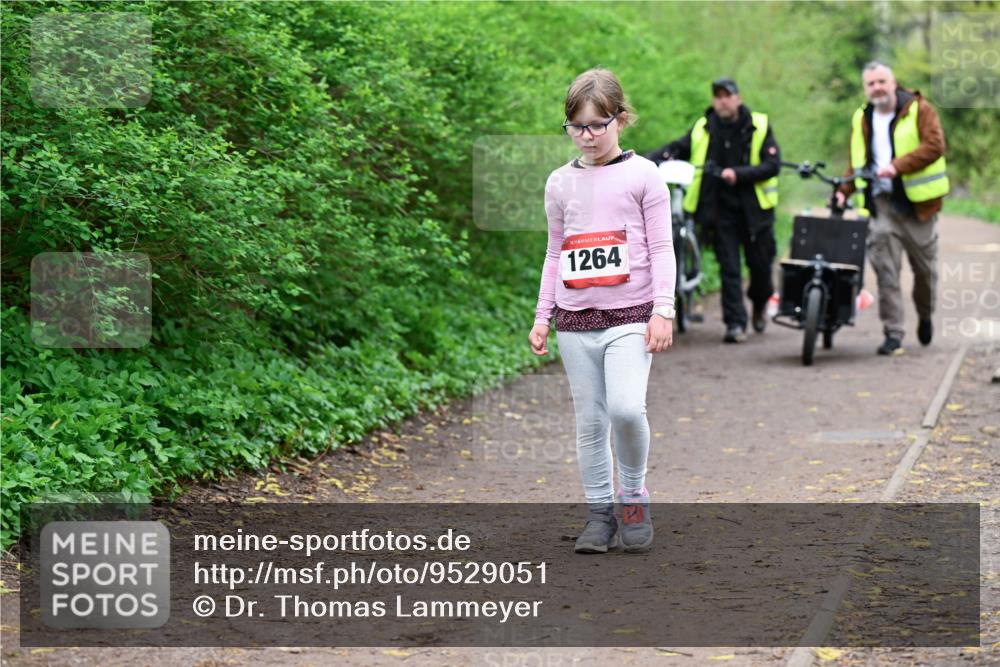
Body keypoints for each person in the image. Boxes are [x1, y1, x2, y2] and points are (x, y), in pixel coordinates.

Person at [528, 68, 676, 554]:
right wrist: (542, 315)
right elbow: (555, 252)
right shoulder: (558, 183)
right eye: (577, 126)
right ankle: (598, 514)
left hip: (631, 315)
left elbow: (662, 247)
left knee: (626, 409)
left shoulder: (644, 175)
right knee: (590, 422)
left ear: (621, 119)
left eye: (597, 124)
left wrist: (664, 310)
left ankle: (632, 496)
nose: (587, 136)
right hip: (575, 319)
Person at [645, 77, 781, 343]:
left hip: (755, 213)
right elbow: (675, 149)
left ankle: (759, 305)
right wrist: (643, 161)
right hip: (720, 213)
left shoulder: (759, 125)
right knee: (729, 268)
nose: (722, 101)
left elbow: (772, 165)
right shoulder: (703, 128)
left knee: (760, 267)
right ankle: (736, 325)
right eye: (717, 96)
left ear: (738, 98)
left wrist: (738, 174)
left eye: (727, 95)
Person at [835, 62, 949, 356]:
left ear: (893, 82)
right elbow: (856, 160)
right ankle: (893, 333)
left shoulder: (919, 109)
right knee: (886, 271)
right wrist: (843, 189)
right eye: (871, 84)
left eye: (881, 81)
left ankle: (925, 315)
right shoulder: (862, 117)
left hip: (917, 207)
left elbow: (935, 145)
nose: (877, 88)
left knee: (925, 273)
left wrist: (897, 167)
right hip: (881, 205)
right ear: (865, 88)